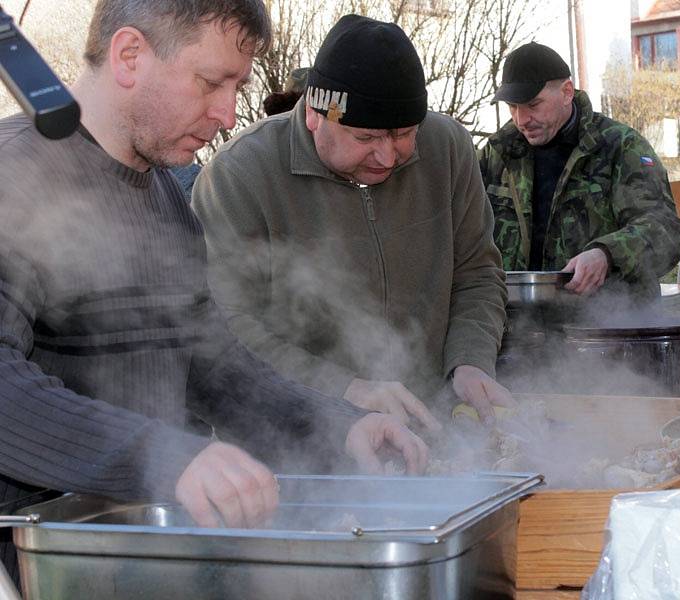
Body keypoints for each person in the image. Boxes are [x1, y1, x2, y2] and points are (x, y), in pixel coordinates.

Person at [0, 0, 429, 576]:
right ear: (130, 55)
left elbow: (213, 366)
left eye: (237, 86)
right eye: (210, 83)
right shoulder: (17, 176)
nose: (229, 114)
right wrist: (164, 455)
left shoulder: (166, 196)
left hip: (142, 555)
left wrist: (337, 425)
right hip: (34, 565)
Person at [192, 14, 512, 426]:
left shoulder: (448, 147)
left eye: (403, 134)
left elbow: (477, 271)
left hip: (435, 427)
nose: (387, 156)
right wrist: (343, 389)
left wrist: (471, 360)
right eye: (365, 138)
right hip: (299, 435)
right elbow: (227, 325)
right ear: (313, 114)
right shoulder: (238, 176)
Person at [479, 42, 680, 302]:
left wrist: (606, 254)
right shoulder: (498, 154)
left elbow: (666, 229)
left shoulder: (619, 147)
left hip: (609, 323)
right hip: (516, 325)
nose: (521, 119)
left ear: (567, 92)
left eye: (533, 104)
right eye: (513, 107)